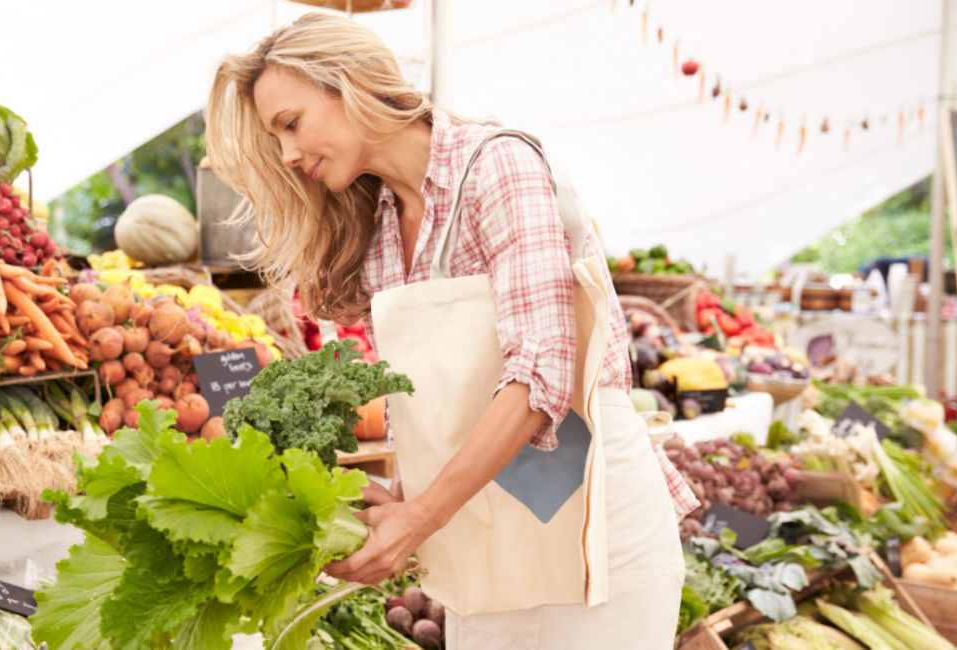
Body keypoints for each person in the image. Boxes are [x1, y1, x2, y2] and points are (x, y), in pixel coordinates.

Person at [207, 12, 697, 649]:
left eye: (290, 125)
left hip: (590, 529)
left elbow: (540, 373)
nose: (288, 154)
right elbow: (441, 395)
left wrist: (418, 517)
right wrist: (399, 497)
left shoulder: (499, 166)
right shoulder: (382, 226)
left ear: (350, 83)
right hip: (484, 536)